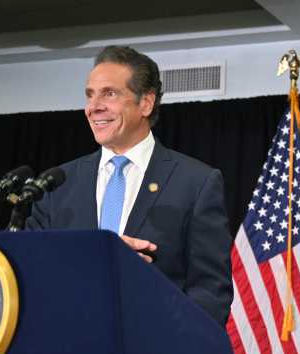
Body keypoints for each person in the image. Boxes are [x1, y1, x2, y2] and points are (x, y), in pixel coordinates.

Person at [27, 45, 232, 326]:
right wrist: (93, 260)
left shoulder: (195, 183)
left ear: (145, 103)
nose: (93, 107)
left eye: (109, 94)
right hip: (69, 340)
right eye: (90, 95)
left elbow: (210, 293)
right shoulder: (57, 184)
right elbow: (31, 270)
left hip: (156, 345)